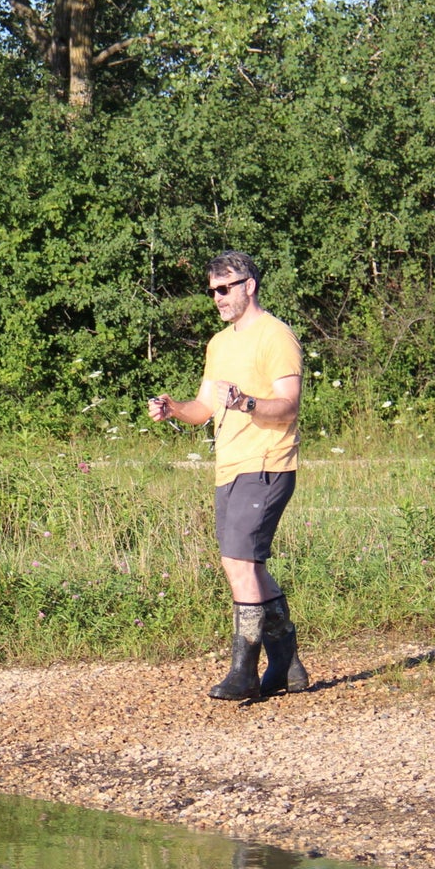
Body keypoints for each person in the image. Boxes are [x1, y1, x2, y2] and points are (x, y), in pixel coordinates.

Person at [148, 251, 308, 700]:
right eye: (212, 290)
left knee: (237, 562)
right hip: (230, 466)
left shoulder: (275, 336)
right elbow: (203, 410)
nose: (217, 297)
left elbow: (289, 403)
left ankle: (244, 671)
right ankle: (288, 661)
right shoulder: (219, 344)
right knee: (248, 564)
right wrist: (174, 409)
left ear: (249, 286)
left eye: (225, 288)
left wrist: (248, 404)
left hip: (268, 462)